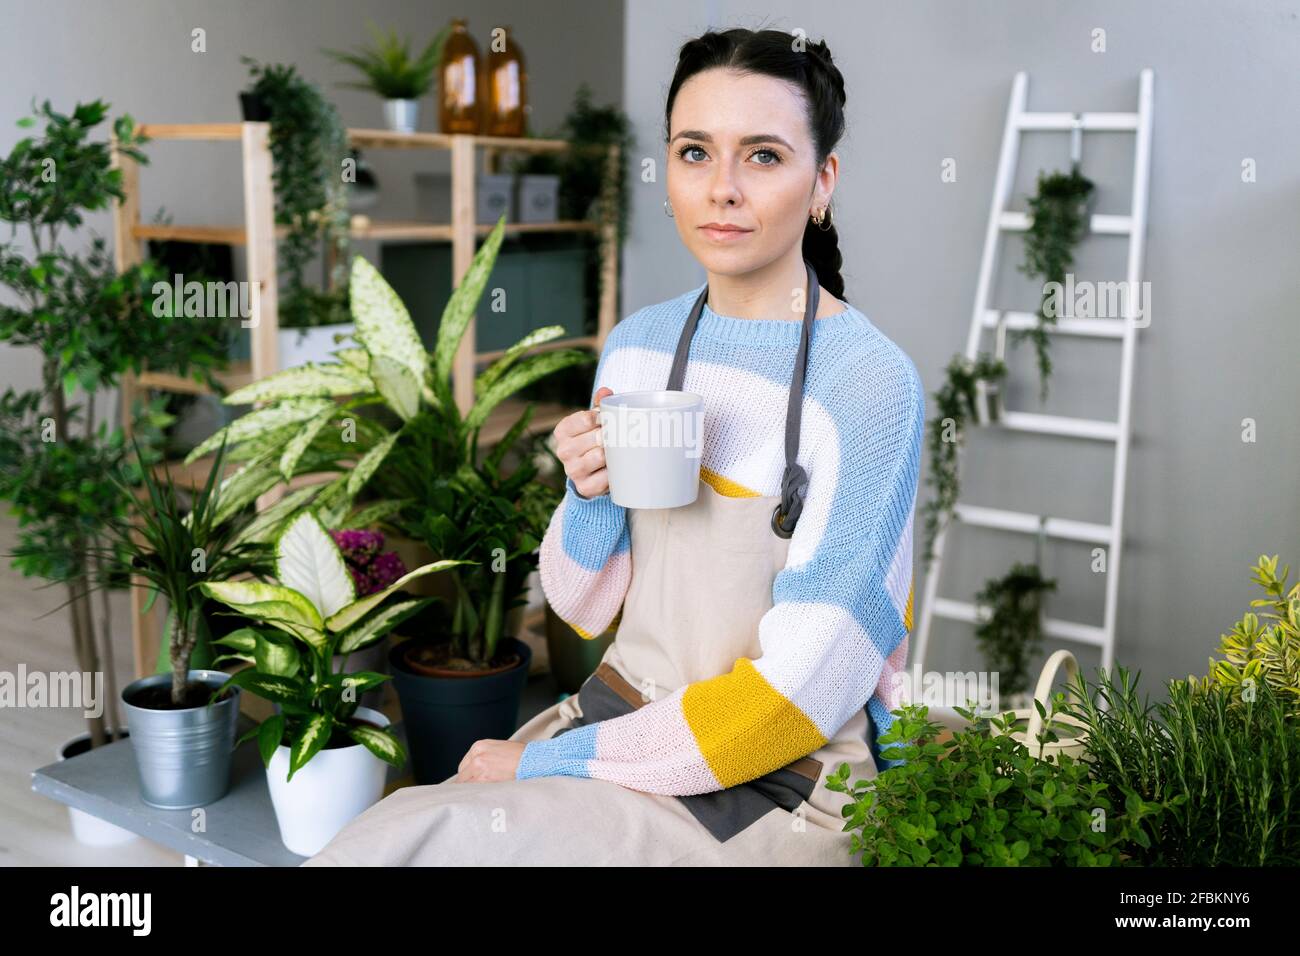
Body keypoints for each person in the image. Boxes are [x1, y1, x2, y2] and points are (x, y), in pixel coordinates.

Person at [304, 26, 924, 867]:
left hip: (775, 776)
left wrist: (548, 760)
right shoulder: (640, 346)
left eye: (765, 157)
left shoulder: (867, 388)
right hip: (621, 718)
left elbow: (799, 699)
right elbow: (582, 604)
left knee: (432, 841)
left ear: (823, 182)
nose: (724, 189)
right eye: (695, 152)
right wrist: (588, 496)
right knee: (394, 836)